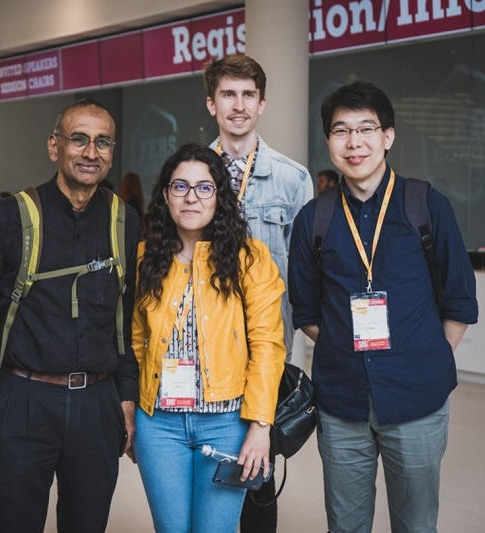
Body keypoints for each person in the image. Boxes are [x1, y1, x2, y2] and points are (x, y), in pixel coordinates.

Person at [288, 81, 478, 532]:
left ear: (388, 136)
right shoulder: (314, 219)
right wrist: (348, 351)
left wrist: (424, 356)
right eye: (341, 131)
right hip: (342, 403)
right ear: (329, 141)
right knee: (346, 525)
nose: (354, 142)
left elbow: (459, 299)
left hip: (417, 401)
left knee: (415, 524)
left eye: (366, 128)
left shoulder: (425, 205)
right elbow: (306, 311)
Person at [0, 99, 141, 532]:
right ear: (54, 146)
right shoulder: (8, 217)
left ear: (112, 152)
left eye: (102, 142)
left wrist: (126, 398)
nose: (90, 152)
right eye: (78, 139)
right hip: (23, 399)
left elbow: (128, 317)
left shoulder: (125, 221)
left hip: (98, 402)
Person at [131, 143, 286, 532]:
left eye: (204, 187)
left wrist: (260, 427)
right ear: (165, 194)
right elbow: (136, 339)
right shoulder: (145, 258)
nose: (191, 197)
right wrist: (132, 407)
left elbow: (267, 347)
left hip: (227, 422)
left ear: (220, 196)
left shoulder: (250, 259)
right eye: (179, 186)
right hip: (160, 425)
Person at [204, 54, 313, 530]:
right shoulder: (190, 175)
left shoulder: (293, 179)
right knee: (207, 476)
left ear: (263, 103)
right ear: (212, 103)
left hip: (266, 356)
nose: (239, 105)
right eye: (228, 94)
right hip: (204, 355)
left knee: (257, 480)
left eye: (249, 95)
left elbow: (308, 278)